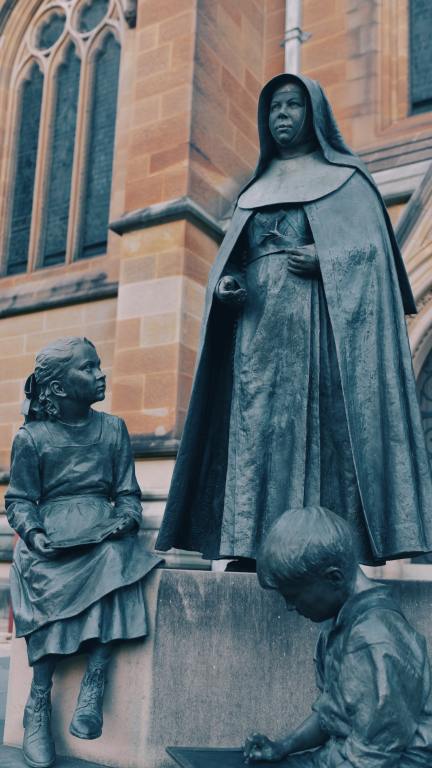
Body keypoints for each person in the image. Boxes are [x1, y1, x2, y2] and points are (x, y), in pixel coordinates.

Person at [156, 74, 432, 569]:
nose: (281, 115)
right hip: (255, 339)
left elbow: (373, 259)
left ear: (315, 114)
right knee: (254, 435)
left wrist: (328, 258)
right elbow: (229, 261)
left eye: (292, 105)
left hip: (320, 335)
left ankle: (323, 550)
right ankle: (249, 544)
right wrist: (225, 286)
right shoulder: (253, 190)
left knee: (318, 439)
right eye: (274, 108)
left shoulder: (348, 180)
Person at [5, 337, 161, 768]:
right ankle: (39, 701)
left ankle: (95, 681)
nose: (100, 374)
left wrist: (126, 519)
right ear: (57, 388)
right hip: (51, 538)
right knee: (47, 575)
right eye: (88, 369)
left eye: (98, 366)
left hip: (101, 532)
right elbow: (19, 500)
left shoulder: (113, 429)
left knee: (117, 560)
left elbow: (128, 493)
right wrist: (33, 535)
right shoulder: (32, 438)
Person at [244, 507, 432, 767]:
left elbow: (374, 757)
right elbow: (331, 714)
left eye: (294, 596)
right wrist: (282, 747)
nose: (289, 607)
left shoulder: (374, 640)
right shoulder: (340, 624)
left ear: (334, 577)